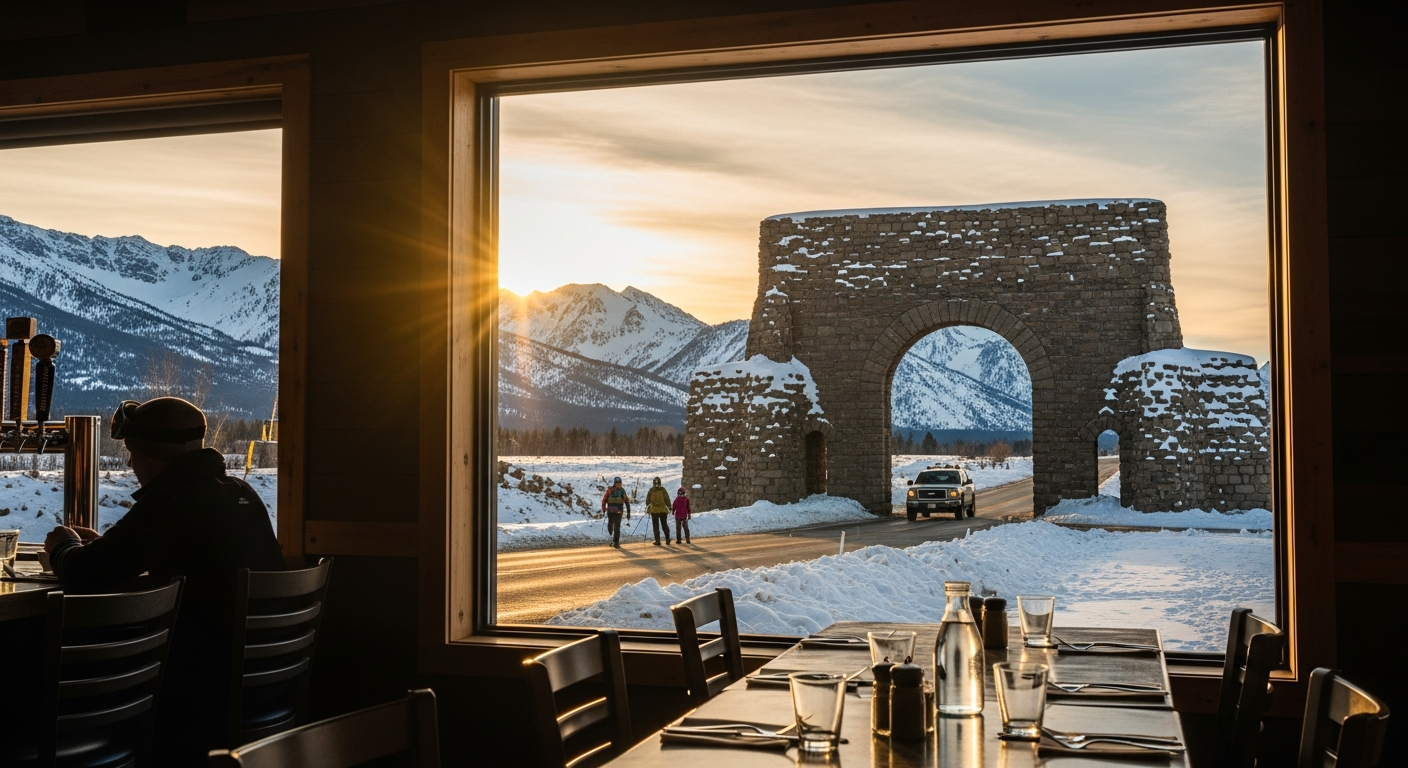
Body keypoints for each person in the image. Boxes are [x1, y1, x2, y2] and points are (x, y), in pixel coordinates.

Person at [44, 397, 284, 767]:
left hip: (193, 698)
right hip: (259, 687)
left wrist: (63, 545)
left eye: (132, 453)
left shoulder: (172, 498)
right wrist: (103, 549)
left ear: (150, 456)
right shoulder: (239, 492)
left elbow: (86, 575)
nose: (129, 463)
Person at [600, 477, 631, 547]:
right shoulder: (611, 490)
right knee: (611, 525)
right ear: (615, 483)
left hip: (617, 512)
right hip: (611, 512)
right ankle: (614, 539)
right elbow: (604, 499)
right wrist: (604, 508)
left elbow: (626, 502)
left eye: (620, 483)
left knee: (617, 527)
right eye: (617, 483)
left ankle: (616, 542)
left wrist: (628, 513)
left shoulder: (621, 491)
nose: (619, 485)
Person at [644, 476, 671, 546]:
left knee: (656, 526)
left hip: (654, 511)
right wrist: (669, 506)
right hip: (663, 510)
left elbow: (647, 501)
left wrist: (648, 506)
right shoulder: (663, 490)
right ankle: (668, 539)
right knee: (664, 525)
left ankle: (658, 541)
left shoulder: (651, 490)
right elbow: (667, 499)